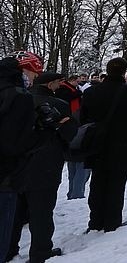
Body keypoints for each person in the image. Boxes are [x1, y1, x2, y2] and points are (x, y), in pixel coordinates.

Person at [9, 71, 77, 263]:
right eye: (57, 83)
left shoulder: (17, 101)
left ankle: (9, 248)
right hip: (46, 163)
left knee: (16, 210)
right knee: (42, 211)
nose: (59, 86)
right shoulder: (60, 105)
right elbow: (69, 134)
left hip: (18, 163)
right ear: (49, 85)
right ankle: (40, 251)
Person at [80, 58, 127, 233]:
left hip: (97, 142)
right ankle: (112, 220)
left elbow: (83, 117)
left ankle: (95, 220)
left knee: (98, 180)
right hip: (121, 142)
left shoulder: (91, 92)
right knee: (116, 183)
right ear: (124, 72)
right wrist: (125, 128)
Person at [1, 51, 44, 262]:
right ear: (24, 70)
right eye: (34, 73)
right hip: (7, 175)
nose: (34, 78)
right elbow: (18, 142)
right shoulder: (19, 96)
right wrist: (41, 132)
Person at [55, 74, 91, 200]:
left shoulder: (71, 92)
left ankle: (73, 192)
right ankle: (77, 193)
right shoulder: (66, 91)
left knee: (73, 166)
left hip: (72, 134)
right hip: (77, 133)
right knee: (81, 167)